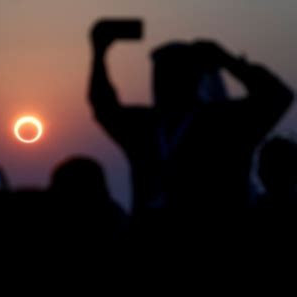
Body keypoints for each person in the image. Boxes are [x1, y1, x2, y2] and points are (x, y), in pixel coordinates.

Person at [89, 21, 294, 213]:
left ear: (193, 78)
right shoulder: (146, 126)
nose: (162, 81)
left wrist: (228, 60)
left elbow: (278, 96)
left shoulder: (223, 124)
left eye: (171, 72)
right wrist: (99, 54)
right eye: (160, 73)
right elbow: (104, 105)